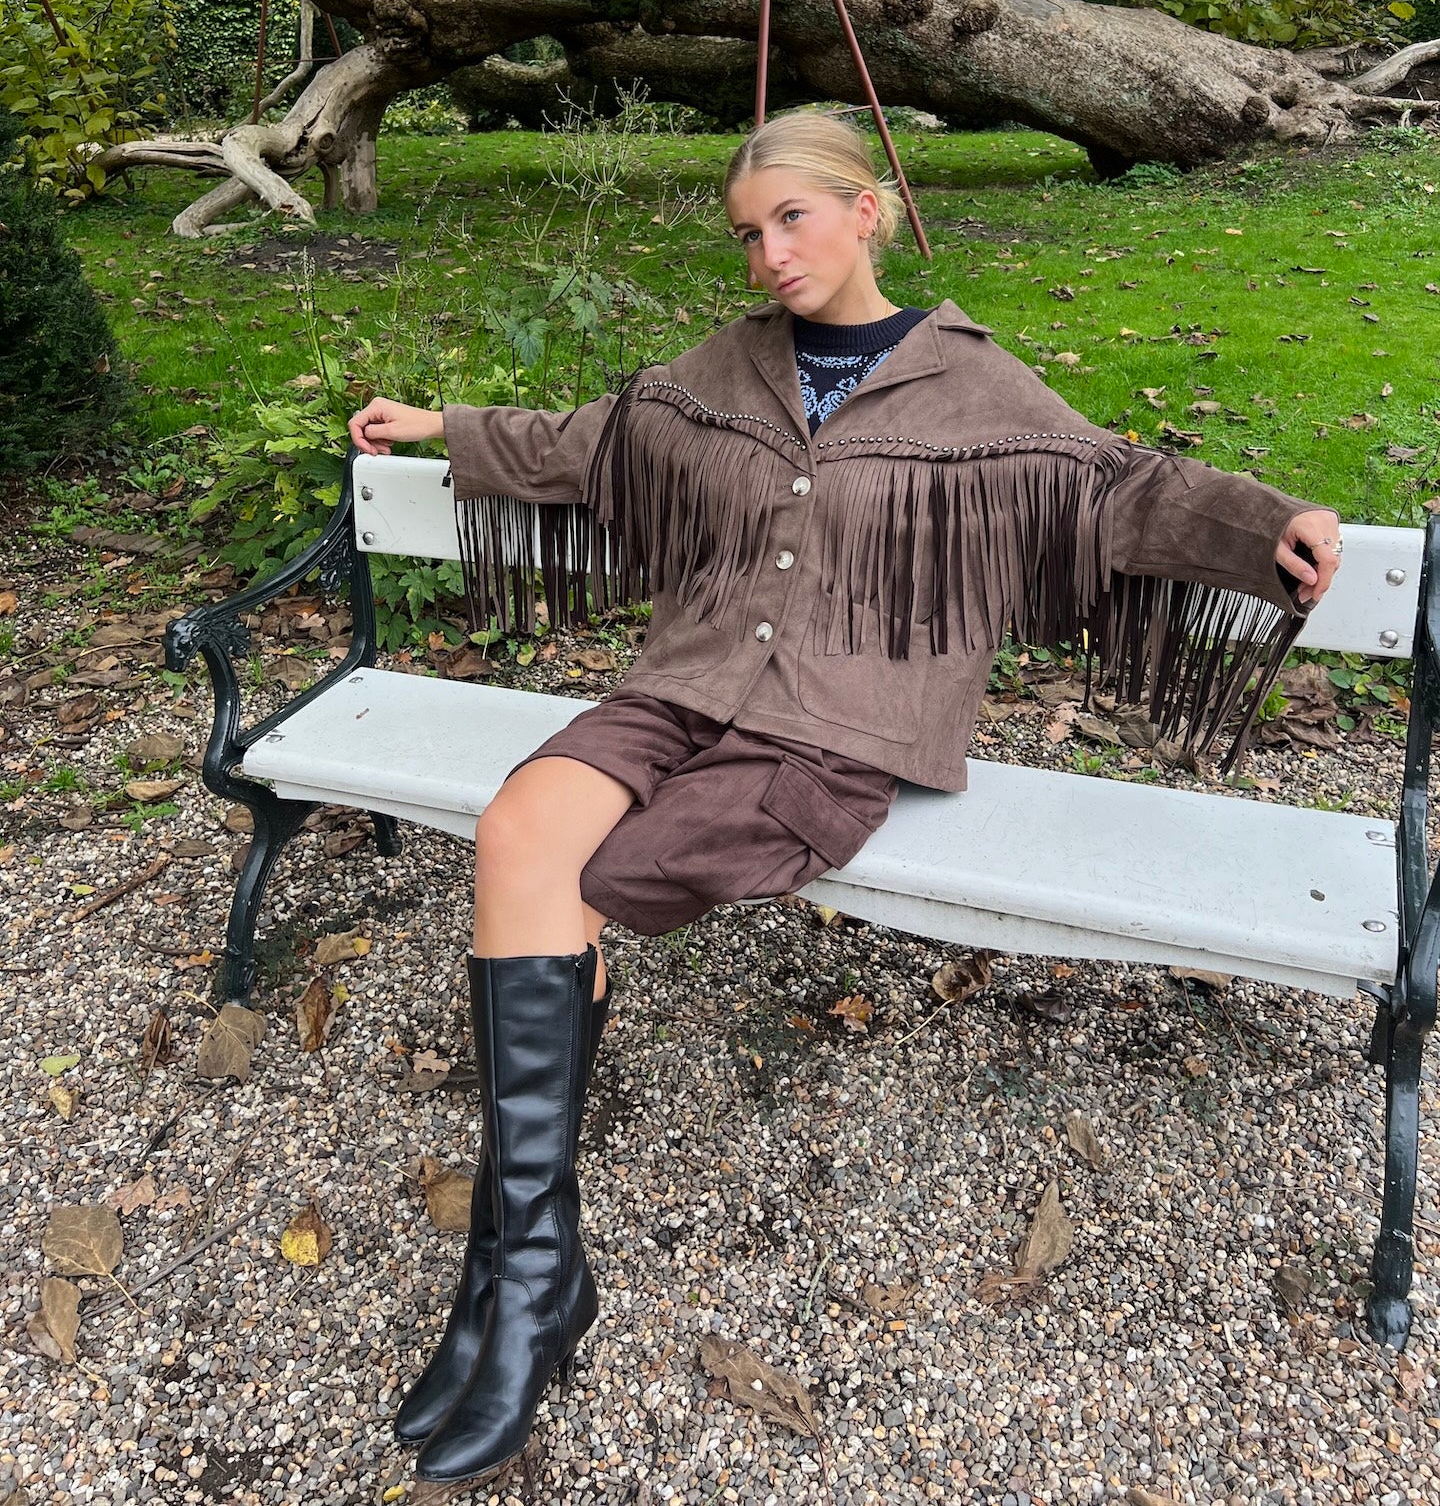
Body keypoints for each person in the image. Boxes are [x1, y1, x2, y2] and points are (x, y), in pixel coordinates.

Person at [347, 111, 1342, 1490]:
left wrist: (1265, 525)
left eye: (792, 220)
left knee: (592, 880)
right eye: (748, 234)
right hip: (686, 683)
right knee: (524, 829)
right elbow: (595, 443)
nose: (769, 254)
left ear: (866, 211)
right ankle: (529, 1271)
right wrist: (444, 428)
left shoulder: (973, 384)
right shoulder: (727, 367)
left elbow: (1119, 489)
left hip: (837, 724)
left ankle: (522, 1280)